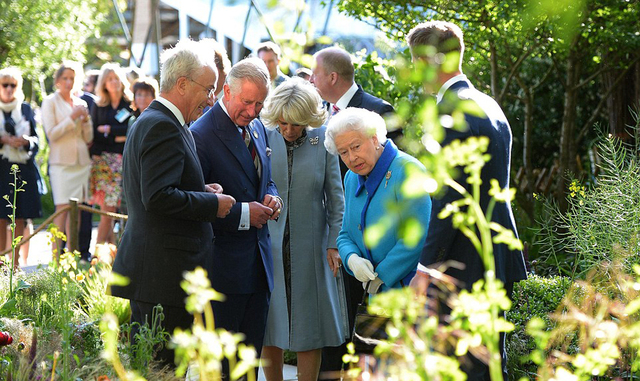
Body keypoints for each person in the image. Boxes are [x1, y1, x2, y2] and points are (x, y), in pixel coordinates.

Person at [406, 21, 528, 380]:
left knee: (459, 365)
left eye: (416, 61)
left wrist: (426, 269)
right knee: (489, 361)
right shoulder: (489, 105)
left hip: (461, 263)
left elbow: (448, 202)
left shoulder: (451, 113)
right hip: (493, 255)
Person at [111, 38, 236, 368]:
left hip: (160, 277)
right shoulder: (162, 126)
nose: (211, 100)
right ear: (182, 83)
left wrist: (201, 190)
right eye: (208, 89)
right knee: (160, 370)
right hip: (161, 280)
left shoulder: (162, 122)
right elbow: (157, 197)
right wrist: (213, 205)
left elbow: (161, 187)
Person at [190, 57, 282, 376]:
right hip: (223, 273)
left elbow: (264, 178)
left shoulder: (256, 126)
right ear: (225, 91)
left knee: (249, 367)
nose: (253, 111)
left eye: (259, 103)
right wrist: (245, 214)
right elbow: (194, 205)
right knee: (225, 370)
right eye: (247, 102)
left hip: (258, 269)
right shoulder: (200, 134)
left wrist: (273, 195)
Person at [311, 46, 397, 376]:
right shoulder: (317, 113)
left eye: (315, 73)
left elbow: (392, 181)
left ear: (332, 77)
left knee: (371, 339)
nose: (311, 79)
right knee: (335, 325)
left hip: (376, 247)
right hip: (337, 239)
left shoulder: (379, 110)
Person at [260, 78, 348, 381]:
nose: (287, 129)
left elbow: (336, 199)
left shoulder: (324, 139)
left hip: (312, 246)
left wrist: (334, 243)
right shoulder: (263, 135)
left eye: (296, 124)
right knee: (269, 324)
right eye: (283, 123)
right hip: (267, 245)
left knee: (310, 324)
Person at [325, 107, 431, 294]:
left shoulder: (407, 170)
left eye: (356, 147)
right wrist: (351, 258)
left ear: (374, 138)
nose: (351, 157)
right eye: (343, 152)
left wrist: (382, 275)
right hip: (376, 293)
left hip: (411, 291)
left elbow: (418, 236)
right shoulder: (351, 177)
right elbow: (345, 234)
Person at [41, 61, 93, 259]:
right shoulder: (50, 102)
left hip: (81, 163)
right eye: (65, 78)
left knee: (77, 212)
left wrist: (86, 121)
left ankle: (71, 257)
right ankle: (55, 258)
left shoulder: (82, 103)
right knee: (62, 209)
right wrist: (72, 117)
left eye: (72, 78)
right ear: (58, 80)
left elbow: (88, 138)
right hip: (61, 163)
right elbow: (52, 134)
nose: (69, 82)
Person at [0, 67, 42, 267]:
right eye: (4, 84)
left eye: (13, 85)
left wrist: (25, 141)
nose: (9, 89)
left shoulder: (26, 109)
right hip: (1, 168)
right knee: (0, 217)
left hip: (23, 168)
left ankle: (16, 265)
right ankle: (1, 264)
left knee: (19, 216)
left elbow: (37, 141)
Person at [89, 63, 133, 245]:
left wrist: (109, 130)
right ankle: (100, 253)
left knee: (114, 209)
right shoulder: (99, 105)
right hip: (103, 161)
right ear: (104, 83)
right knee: (107, 209)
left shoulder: (130, 104)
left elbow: (131, 129)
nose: (113, 82)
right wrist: (118, 135)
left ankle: (107, 253)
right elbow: (95, 133)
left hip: (125, 160)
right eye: (109, 79)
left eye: (116, 78)